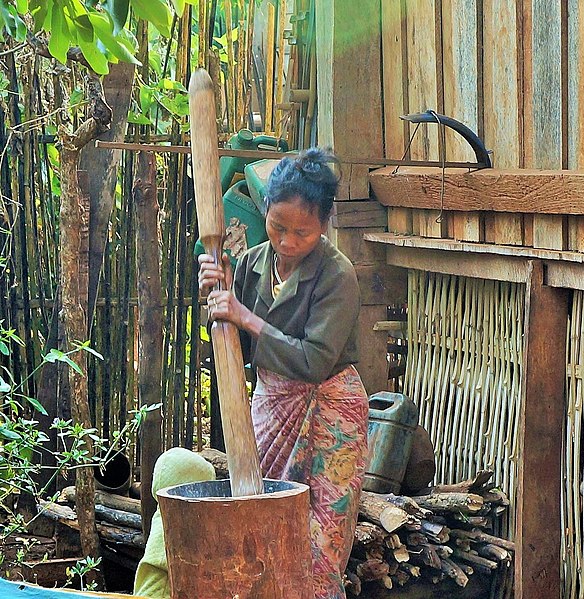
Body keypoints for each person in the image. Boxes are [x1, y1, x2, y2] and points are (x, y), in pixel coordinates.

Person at [198, 147, 369, 599]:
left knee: (318, 551)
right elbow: (230, 336)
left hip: (331, 415)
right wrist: (217, 297)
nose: (288, 242)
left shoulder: (338, 276)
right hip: (272, 405)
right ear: (266, 212)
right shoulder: (252, 262)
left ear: (325, 225)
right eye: (278, 227)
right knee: (261, 530)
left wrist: (244, 316)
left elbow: (314, 361)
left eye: (303, 233)